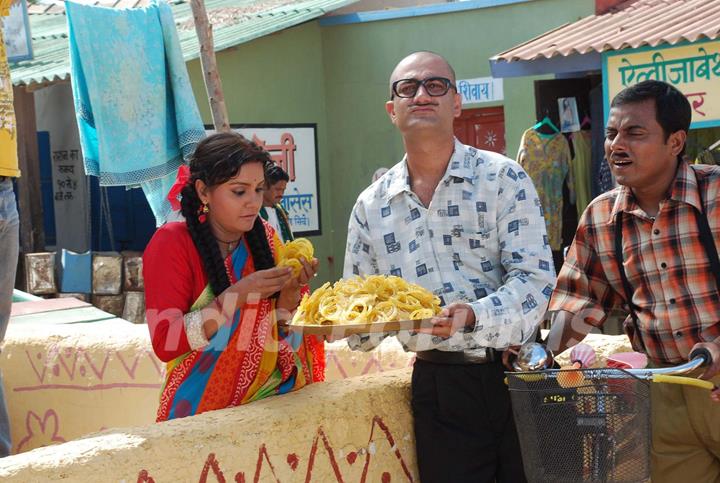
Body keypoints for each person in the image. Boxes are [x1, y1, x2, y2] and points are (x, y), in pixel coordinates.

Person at [343, 51, 555, 483]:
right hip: (439, 388)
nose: (422, 95)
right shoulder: (371, 206)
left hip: (518, 375)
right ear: (392, 110)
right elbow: (360, 321)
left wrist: (473, 316)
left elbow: (535, 283)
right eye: (408, 88)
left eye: (436, 85)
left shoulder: (503, 178)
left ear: (456, 103)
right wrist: (336, 316)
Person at [547, 80, 720, 482]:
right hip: (663, 392)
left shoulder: (715, 193)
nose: (615, 145)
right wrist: (541, 356)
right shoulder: (601, 217)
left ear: (675, 142)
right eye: (611, 134)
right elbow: (579, 300)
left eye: (635, 133)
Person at [143, 132, 324, 422]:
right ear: (203, 192)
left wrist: (292, 290)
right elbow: (167, 341)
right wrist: (237, 295)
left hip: (269, 405)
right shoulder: (172, 243)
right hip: (198, 416)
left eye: (258, 189)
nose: (253, 202)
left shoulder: (265, 237)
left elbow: (282, 328)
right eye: (239, 191)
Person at [259, 164, 294, 243]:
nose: (281, 193)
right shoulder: (256, 213)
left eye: (283, 190)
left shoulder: (281, 211)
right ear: (264, 186)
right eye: (277, 189)